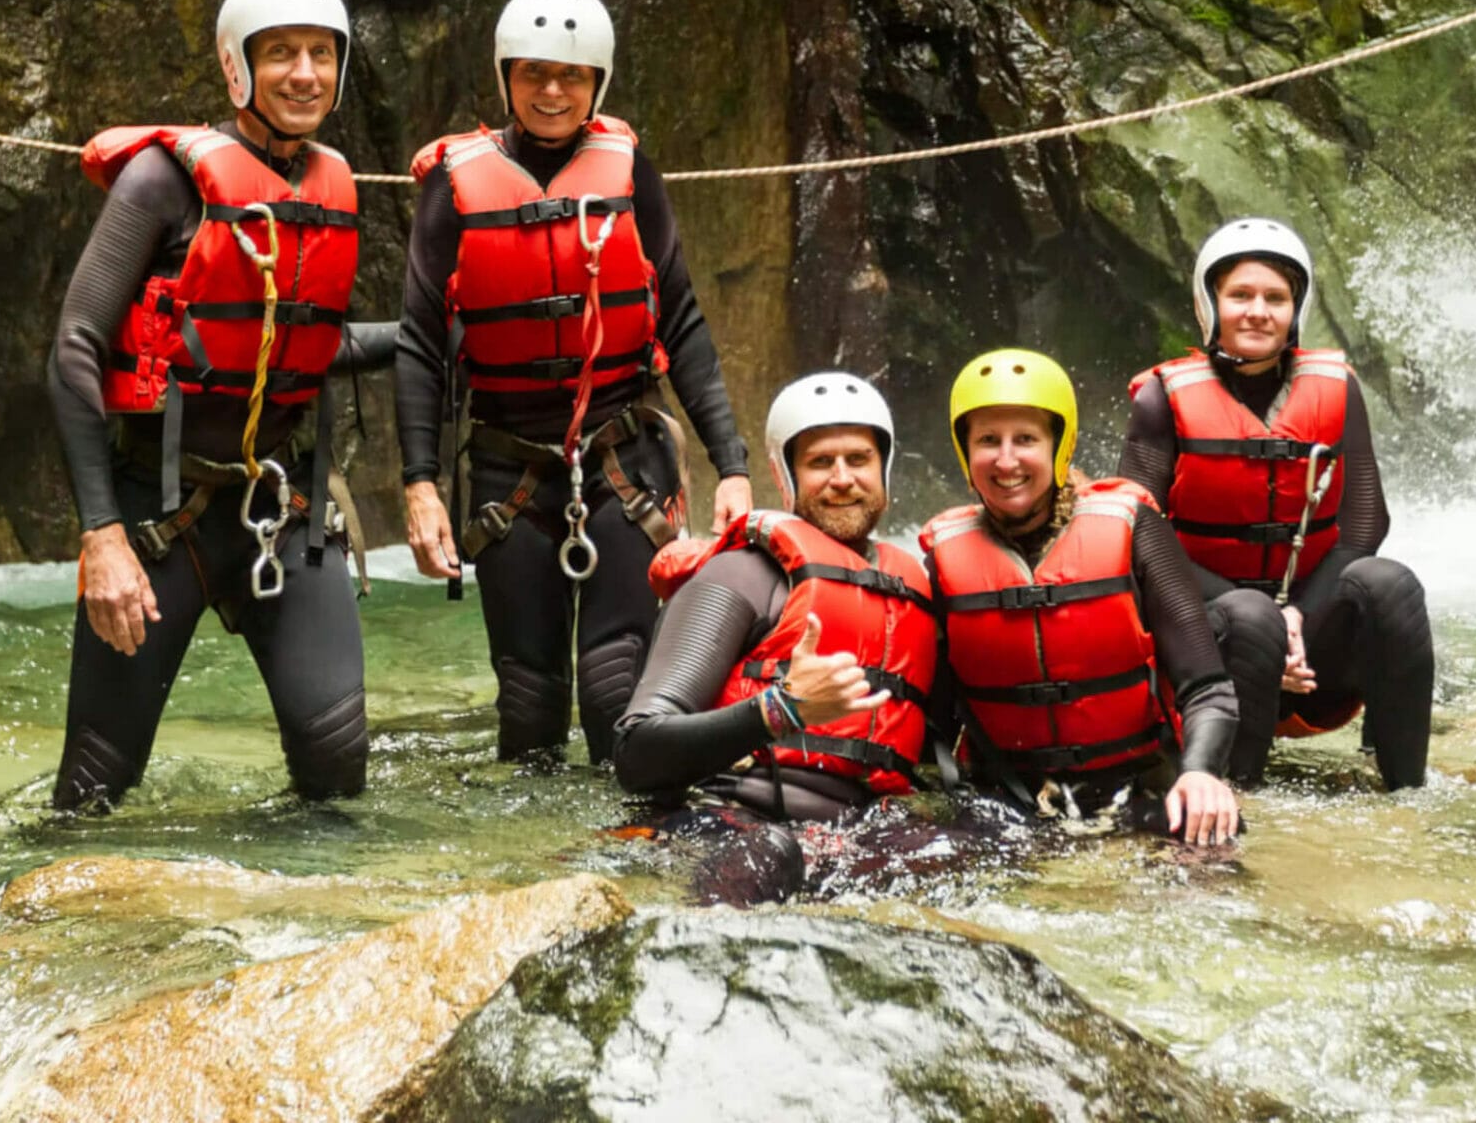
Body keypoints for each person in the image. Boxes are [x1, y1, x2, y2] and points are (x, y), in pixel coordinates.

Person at [45, 0, 398, 811]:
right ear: (239, 65)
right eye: (281, 54)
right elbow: (75, 347)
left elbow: (314, 346)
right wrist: (102, 535)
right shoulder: (161, 182)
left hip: (281, 508)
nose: (304, 73)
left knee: (337, 768)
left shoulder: (328, 186)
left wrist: (437, 335)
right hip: (157, 519)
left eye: (321, 54)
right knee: (94, 787)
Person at [396, 0, 750, 763]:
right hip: (509, 471)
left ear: (598, 82)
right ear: (506, 76)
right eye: (534, 72)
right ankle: (535, 842)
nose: (552, 90)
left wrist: (732, 464)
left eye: (572, 75)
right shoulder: (453, 188)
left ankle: (630, 834)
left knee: (616, 688)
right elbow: (420, 343)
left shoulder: (631, 174)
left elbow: (683, 322)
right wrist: (420, 485)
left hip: (623, 462)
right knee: (528, 703)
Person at [1122, 218, 1433, 790]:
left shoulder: (1338, 387)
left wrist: (1295, 619)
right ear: (1211, 304)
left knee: (1390, 584)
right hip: (1209, 644)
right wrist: (1261, 618)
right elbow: (1135, 539)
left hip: (1309, 653)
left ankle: (1406, 788)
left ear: (1296, 309)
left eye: (1275, 298)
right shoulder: (1160, 399)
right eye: (1240, 295)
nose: (1257, 312)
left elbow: (1366, 522)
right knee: (1250, 615)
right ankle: (1232, 794)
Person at [614, 371, 940, 903]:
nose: (842, 478)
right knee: (771, 850)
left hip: (848, 838)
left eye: (858, 459)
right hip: (724, 826)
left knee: (974, 837)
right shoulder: (742, 575)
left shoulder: (913, 594)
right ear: (785, 474)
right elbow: (636, 752)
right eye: (820, 462)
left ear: (884, 467)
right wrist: (779, 709)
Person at [921, 348, 1242, 844]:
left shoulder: (1135, 529)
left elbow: (1207, 689)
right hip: (1008, 802)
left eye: (1025, 439)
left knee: (1214, 841)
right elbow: (932, 724)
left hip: (1137, 788)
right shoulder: (942, 561)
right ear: (965, 451)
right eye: (987, 440)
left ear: (1060, 445)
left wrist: (1200, 772)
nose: (1006, 460)